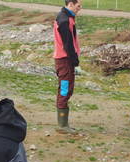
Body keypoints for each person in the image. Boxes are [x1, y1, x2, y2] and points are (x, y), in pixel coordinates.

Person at [53, 0, 82, 134]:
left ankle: (64, 123)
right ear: (70, 4)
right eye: (78, 6)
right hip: (64, 61)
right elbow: (68, 45)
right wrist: (75, 63)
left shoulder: (66, 17)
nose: (80, 9)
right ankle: (62, 125)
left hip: (65, 60)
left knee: (67, 89)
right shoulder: (65, 20)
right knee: (64, 89)